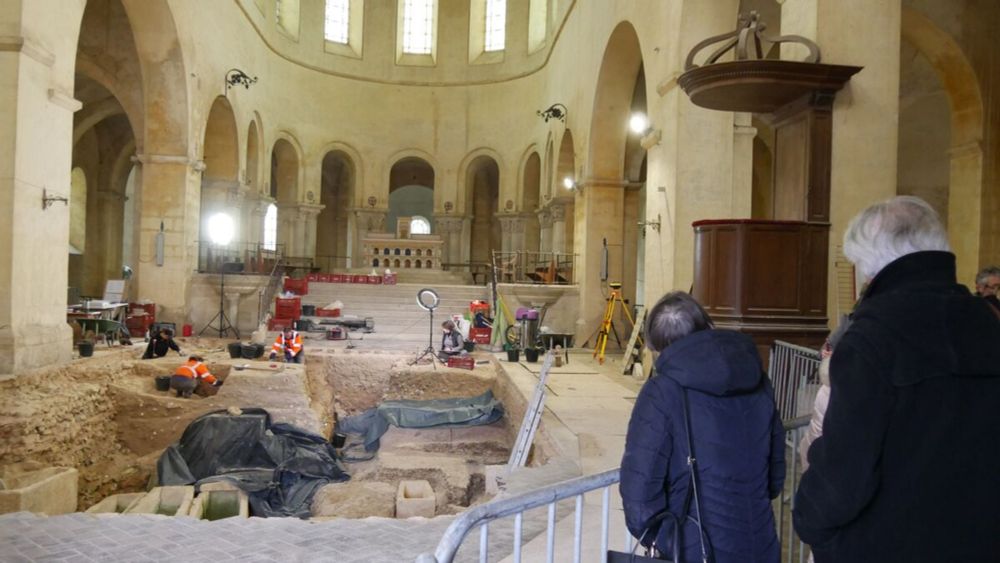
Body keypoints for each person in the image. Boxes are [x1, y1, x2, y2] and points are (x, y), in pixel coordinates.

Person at [793, 196, 1000, 563]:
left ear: (870, 266)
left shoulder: (873, 337)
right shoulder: (986, 324)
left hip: (885, 544)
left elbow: (844, 475)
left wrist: (813, 525)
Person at [620, 291, 785, 563]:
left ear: (658, 348)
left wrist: (665, 539)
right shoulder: (757, 379)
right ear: (707, 327)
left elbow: (639, 495)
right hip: (760, 541)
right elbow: (775, 476)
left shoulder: (662, 392)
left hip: (694, 549)